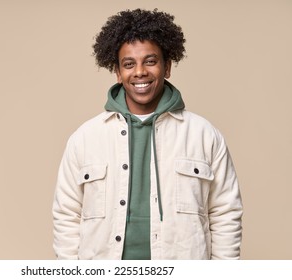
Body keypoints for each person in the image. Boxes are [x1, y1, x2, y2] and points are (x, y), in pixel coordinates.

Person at [52, 8, 243, 260]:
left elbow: (225, 212)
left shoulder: (204, 135)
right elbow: (67, 215)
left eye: (150, 61)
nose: (140, 72)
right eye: (128, 64)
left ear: (167, 67)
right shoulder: (85, 138)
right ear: (118, 73)